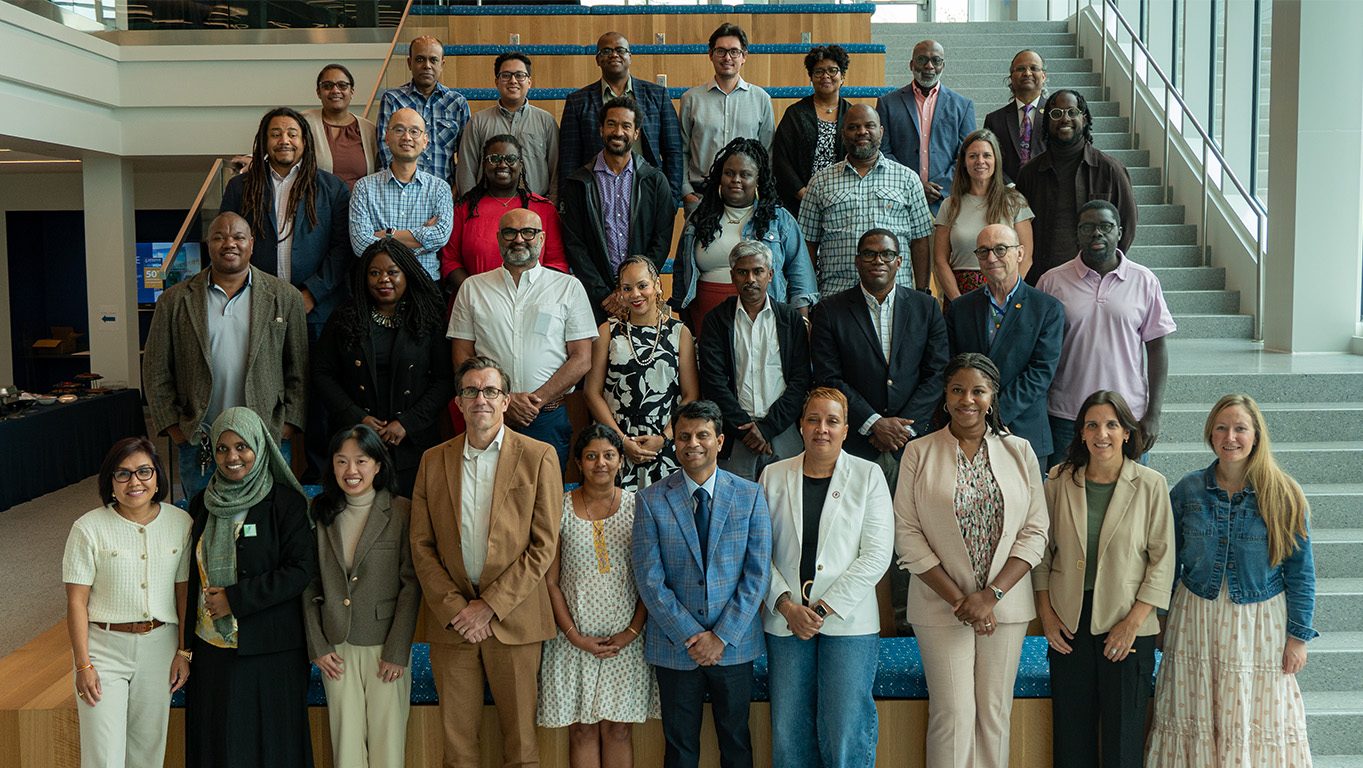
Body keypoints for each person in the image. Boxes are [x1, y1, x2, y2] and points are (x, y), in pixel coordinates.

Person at [892, 353, 1049, 768]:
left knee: (994, 715)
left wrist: (990, 597)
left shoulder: (1020, 451)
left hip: (1006, 607)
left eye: (978, 391)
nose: (968, 400)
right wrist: (964, 601)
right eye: (958, 390)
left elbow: (1035, 532)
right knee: (954, 715)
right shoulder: (918, 452)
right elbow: (906, 536)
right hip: (940, 607)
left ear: (992, 397)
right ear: (945, 397)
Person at [1146, 394, 1317, 767]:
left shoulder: (1284, 493)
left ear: (1256, 436)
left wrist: (1298, 637)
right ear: (1211, 434)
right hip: (1195, 618)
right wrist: (1159, 617)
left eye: (1241, 428)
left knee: (1253, 717)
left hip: (1259, 624)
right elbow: (1165, 561)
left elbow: (1301, 571)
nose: (1231, 437)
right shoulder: (1187, 491)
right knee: (1194, 712)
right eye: (1222, 428)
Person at [409, 356, 562, 768]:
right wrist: (458, 609)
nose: (481, 398)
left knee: (522, 749)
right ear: (458, 402)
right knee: (457, 752)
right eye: (471, 391)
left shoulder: (539, 455)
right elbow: (421, 545)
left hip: (514, 619)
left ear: (506, 400)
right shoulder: (432, 460)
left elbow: (543, 545)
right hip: (453, 621)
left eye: (490, 390)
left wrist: (490, 606)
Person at [1034, 391, 1173, 768]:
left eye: (1112, 424)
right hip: (1068, 624)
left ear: (1127, 433)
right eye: (1092, 424)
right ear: (1080, 433)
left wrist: (1133, 624)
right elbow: (1041, 554)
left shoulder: (1151, 484)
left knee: (1122, 743)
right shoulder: (1058, 481)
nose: (1102, 433)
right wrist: (1046, 615)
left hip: (1126, 624)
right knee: (1071, 739)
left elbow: (1162, 563)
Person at [632, 400, 771, 768]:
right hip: (676, 646)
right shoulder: (650, 499)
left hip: (734, 644)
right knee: (679, 749)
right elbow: (649, 578)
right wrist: (692, 635)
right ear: (674, 443)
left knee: (737, 742)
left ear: (720, 440)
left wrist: (720, 636)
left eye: (702, 435)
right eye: (683, 436)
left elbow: (757, 574)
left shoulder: (751, 494)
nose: (693, 443)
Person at [760, 387, 892, 768]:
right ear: (801, 426)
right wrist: (786, 605)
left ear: (846, 429)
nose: (822, 429)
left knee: (845, 728)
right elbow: (758, 554)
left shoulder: (869, 475)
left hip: (847, 622)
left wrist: (822, 607)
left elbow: (877, 554)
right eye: (814, 420)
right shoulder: (773, 475)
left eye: (832, 421)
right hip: (787, 622)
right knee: (789, 730)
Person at [182, 407, 317, 768]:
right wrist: (185, 648)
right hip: (213, 649)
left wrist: (235, 600)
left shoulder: (286, 503)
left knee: (274, 746)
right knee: (218, 745)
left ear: (260, 446)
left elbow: (300, 570)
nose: (232, 457)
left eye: (242, 446)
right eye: (222, 448)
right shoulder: (202, 503)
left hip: (272, 650)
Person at [143, 211, 309, 499]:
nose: (229, 243)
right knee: (202, 519)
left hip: (265, 436)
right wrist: (175, 429)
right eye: (219, 237)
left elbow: (300, 368)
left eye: (238, 237)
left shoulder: (285, 297)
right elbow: (156, 368)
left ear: (252, 244)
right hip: (200, 438)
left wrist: (288, 425)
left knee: (264, 522)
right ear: (209, 244)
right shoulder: (175, 300)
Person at [63, 438, 192, 768]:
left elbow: (183, 593)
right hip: (104, 649)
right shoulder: (88, 528)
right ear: (110, 482)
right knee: (103, 756)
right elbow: (76, 602)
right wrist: (83, 665)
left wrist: (182, 651)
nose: (135, 482)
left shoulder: (181, 523)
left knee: (147, 752)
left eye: (144, 471)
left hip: (160, 647)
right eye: (123, 474)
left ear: (158, 476)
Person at [538, 425, 660, 766]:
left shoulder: (639, 507)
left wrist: (631, 632)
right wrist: (575, 637)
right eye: (591, 456)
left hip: (627, 640)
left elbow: (650, 579)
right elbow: (551, 582)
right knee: (582, 731)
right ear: (578, 463)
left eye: (609, 456)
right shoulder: (560, 507)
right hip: (571, 640)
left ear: (621, 461)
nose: (600, 463)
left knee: (619, 730)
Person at [302, 425, 420, 768]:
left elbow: (411, 585)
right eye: (341, 461)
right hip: (335, 647)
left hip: (386, 647)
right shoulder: (320, 512)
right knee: (346, 749)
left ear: (378, 465)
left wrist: (398, 651)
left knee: (388, 745)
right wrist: (318, 646)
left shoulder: (402, 511)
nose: (351, 471)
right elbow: (308, 584)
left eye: (361, 461)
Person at [449, 207, 598, 468]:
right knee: (488, 500)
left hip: (547, 418)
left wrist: (534, 401)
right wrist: (501, 399)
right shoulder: (473, 288)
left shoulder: (568, 287)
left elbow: (582, 359)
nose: (519, 239)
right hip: (489, 414)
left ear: (541, 239)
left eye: (528, 232)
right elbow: (462, 355)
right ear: (498, 239)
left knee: (544, 501)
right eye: (510, 232)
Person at [1038, 200, 1175, 469]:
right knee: (1066, 500)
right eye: (1087, 227)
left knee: (1131, 501)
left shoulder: (1144, 280)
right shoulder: (1052, 282)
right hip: (1067, 415)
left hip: (1127, 416)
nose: (1096, 233)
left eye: (1105, 226)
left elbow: (1157, 349)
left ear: (1120, 232)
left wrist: (1153, 413)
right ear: (1077, 234)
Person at [312, 239, 453, 496]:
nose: (383, 279)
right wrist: (358, 418)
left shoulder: (428, 318)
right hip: (356, 441)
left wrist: (407, 423)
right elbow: (322, 373)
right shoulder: (344, 317)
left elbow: (445, 379)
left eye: (392, 272)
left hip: (413, 441)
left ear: (406, 274)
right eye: (374, 273)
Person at [809, 228, 948, 478]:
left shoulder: (926, 308)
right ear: (857, 260)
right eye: (869, 254)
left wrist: (903, 428)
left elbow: (937, 373)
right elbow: (828, 377)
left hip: (913, 442)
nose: (878, 261)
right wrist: (873, 422)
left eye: (886, 254)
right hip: (856, 443)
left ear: (899, 261)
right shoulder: (829, 311)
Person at [220, 106, 351, 341]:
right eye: (275, 134)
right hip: (255, 305)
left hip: (316, 310)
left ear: (304, 141)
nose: (284, 140)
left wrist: (311, 294)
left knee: (312, 377)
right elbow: (227, 244)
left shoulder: (332, 188)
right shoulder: (240, 187)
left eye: (292, 133)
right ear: (264, 140)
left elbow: (342, 249)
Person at [945, 223, 1064, 465]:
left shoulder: (1047, 308)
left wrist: (993, 414)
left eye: (1001, 249)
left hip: (1023, 431)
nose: (991, 258)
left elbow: (1040, 373)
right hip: (968, 431)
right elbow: (951, 366)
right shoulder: (960, 308)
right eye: (983, 251)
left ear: (1020, 253)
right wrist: (975, 416)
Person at [671, 137, 817, 335]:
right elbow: (681, 269)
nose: (736, 180)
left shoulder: (779, 219)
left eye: (745, 174)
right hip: (705, 314)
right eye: (729, 173)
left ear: (758, 179)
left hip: (763, 316)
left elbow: (801, 276)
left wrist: (802, 322)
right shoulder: (699, 217)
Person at [699, 240, 812, 482]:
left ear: (770, 275)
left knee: (787, 512)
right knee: (738, 512)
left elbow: (801, 379)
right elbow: (713, 382)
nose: (750, 279)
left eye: (758, 271)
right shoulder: (716, 321)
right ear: (732, 276)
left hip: (783, 432)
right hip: (736, 433)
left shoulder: (790, 320)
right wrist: (745, 429)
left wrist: (767, 428)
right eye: (742, 272)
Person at [583, 256, 698, 492]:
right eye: (627, 288)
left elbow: (690, 395)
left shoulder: (679, 332)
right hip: (616, 444)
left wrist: (664, 438)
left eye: (642, 285)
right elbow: (592, 393)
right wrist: (621, 440)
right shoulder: (608, 331)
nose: (635, 294)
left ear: (657, 285)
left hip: (665, 443)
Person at [559, 95, 676, 324]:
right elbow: (575, 244)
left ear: (636, 133)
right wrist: (606, 294)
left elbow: (661, 241)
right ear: (601, 129)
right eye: (611, 124)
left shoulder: (654, 181)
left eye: (626, 126)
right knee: (597, 359)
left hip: (641, 298)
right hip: (595, 300)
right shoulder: (579, 183)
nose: (618, 132)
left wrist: (633, 288)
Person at [799, 104, 933, 295]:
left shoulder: (908, 179)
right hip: (837, 295)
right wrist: (809, 295)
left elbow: (921, 240)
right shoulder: (820, 182)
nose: (862, 132)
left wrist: (921, 293)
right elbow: (808, 244)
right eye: (853, 127)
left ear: (881, 131)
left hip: (897, 296)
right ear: (843, 133)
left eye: (869, 126)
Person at [1015, 90, 1138, 283]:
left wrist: (1103, 268)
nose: (1065, 119)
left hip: (1093, 279)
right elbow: (1017, 228)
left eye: (1072, 112)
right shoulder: (1030, 173)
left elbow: (1127, 225)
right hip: (1041, 279)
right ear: (1046, 123)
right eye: (1056, 114)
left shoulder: (1110, 170)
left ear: (1085, 118)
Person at [559, 31, 684, 207]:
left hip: (648, 192)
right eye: (606, 51)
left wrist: (670, 199)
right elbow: (569, 159)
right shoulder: (577, 101)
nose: (614, 55)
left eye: (620, 50)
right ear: (597, 60)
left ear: (630, 57)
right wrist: (570, 203)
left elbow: (673, 152)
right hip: (596, 195)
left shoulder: (658, 95)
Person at [439, 133, 569, 297]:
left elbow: (557, 262)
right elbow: (450, 261)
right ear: (484, 165)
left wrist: (528, 295)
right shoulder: (464, 209)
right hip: (475, 301)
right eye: (494, 159)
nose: (502, 164)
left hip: (532, 302)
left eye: (510, 159)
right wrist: (478, 294)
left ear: (520, 165)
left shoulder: (543, 209)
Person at [349, 107, 455, 283]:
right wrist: (421, 239)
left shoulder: (440, 189)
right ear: (387, 137)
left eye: (414, 131)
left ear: (425, 140)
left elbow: (440, 236)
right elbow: (361, 245)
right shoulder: (364, 188)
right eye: (399, 130)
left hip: (425, 284)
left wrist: (386, 235)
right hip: (379, 286)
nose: (407, 137)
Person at [679, 23, 775, 210]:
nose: (727, 57)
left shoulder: (761, 98)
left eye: (734, 52)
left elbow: (767, 152)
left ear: (744, 56)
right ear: (710, 55)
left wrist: (763, 191)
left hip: (747, 196)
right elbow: (682, 150)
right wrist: (686, 192)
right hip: (701, 195)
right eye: (721, 51)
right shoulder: (691, 99)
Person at [932, 129, 1035, 300]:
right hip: (961, 293)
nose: (980, 161)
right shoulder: (950, 205)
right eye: (973, 156)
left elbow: (1026, 257)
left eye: (987, 155)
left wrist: (1008, 296)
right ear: (964, 162)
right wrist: (958, 300)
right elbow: (940, 261)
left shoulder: (1015, 202)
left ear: (996, 160)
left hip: (1007, 292)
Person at [875, 39, 977, 214]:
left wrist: (940, 188)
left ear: (943, 66)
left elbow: (967, 154)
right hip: (899, 199)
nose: (929, 66)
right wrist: (915, 185)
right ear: (911, 64)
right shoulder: (887, 103)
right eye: (922, 60)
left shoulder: (963, 106)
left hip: (946, 201)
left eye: (936, 60)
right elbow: (883, 151)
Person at [455, 52, 559, 199]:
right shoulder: (478, 122)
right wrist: (472, 207)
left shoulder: (546, 121)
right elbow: (466, 170)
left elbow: (556, 170)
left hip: (535, 208)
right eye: (506, 75)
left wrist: (552, 204)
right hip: (487, 207)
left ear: (529, 82)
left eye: (520, 75)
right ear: (496, 81)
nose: (513, 80)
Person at [376, 35, 469, 186]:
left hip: (444, 192)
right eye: (420, 59)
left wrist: (456, 191)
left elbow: (466, 157)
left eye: (433, 60)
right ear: (409, 63)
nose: (427, 66)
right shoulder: (392, 100)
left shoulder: (456, 103)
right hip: (398, 190)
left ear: (442, 64)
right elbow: (385, 150)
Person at [771, 45, 852, 217]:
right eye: (818, 71)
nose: (825, 76)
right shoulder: (795, 113)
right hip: (799, 203)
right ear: (811, 77)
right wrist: (806, 195)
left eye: (832, 70)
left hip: (844, 203)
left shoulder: (852, 115)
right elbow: (781, 159)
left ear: (842, 76)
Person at [302, 63, 378, 191]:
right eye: (327, 86)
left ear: (351, 91)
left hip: (358, 207)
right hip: (317, 207)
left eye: (342, 85)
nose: (335, 91)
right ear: (318, 92)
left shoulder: (369, 130)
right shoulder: (304, 123)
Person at [982, 50, 1048, 183]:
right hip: (1007, 195)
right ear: (1011, 77)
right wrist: (1010, 187)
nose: (1027, 73)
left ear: (1043, 76)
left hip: (1048, 192)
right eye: (1021, 69)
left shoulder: (1055, 116)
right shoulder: (994, 120)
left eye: (1034, 68)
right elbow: (990, 159)